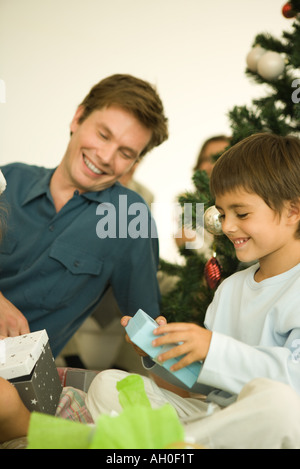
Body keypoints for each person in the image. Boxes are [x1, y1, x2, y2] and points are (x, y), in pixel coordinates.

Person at [85, 133, 300, 448]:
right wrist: (162, 352)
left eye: (241, 214)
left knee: (282, 406)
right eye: (222, 214)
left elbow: (293, 381)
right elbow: (208, 376)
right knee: (109, 385)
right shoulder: (230, 288)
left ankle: (175, 445)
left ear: (294, 211)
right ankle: (186, 443)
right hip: (219, 419)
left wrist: (212, 347)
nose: (226, 227)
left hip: (271, 419)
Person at [0, 74, 168, 357]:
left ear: (134, 162)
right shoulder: (8, 180)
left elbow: (146, 330)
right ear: (78, 118)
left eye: (125, 153)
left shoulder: (128, 217)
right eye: (103, 135)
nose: (105, 156)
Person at [175, 135, 230, 255]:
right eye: (206, 159)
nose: (212, 166)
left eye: (219, 158)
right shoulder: (188, 204)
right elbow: (190, 244)